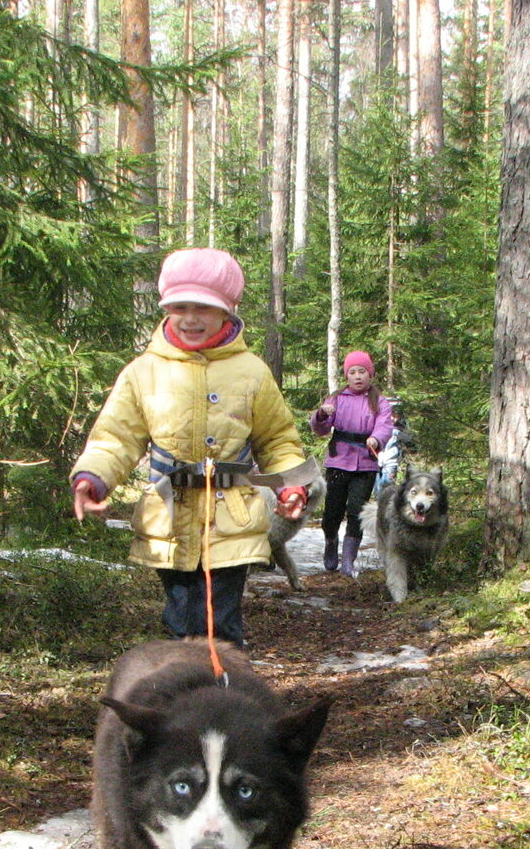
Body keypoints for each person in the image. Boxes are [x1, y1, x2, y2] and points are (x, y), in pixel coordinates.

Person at [71, 248, 313, 649]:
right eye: (179, 306)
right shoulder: (143, 372)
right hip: (169, 518)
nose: (190, 318)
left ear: (227, 311)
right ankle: (183, 704)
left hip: (233, 518)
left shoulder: (252, 371)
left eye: (204, 307)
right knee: (181, 621)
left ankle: (228, 701)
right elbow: (116, 437)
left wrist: (291, 487)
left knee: (222, 624)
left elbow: (278, 440)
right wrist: (93, 478)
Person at [310, 350, 394, 577]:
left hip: (366, 464)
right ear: (347, 376)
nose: (358, 377)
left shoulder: (380, 402)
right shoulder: (337, 399)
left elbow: (385, 426)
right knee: (332, 512)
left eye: (362, 372)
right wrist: (321, 415)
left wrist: (376, 439)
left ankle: (348, 560)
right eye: (353, 372)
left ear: (370, 374)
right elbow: (320, 430)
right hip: (339, 462)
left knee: (357, 511)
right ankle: (330, 544)